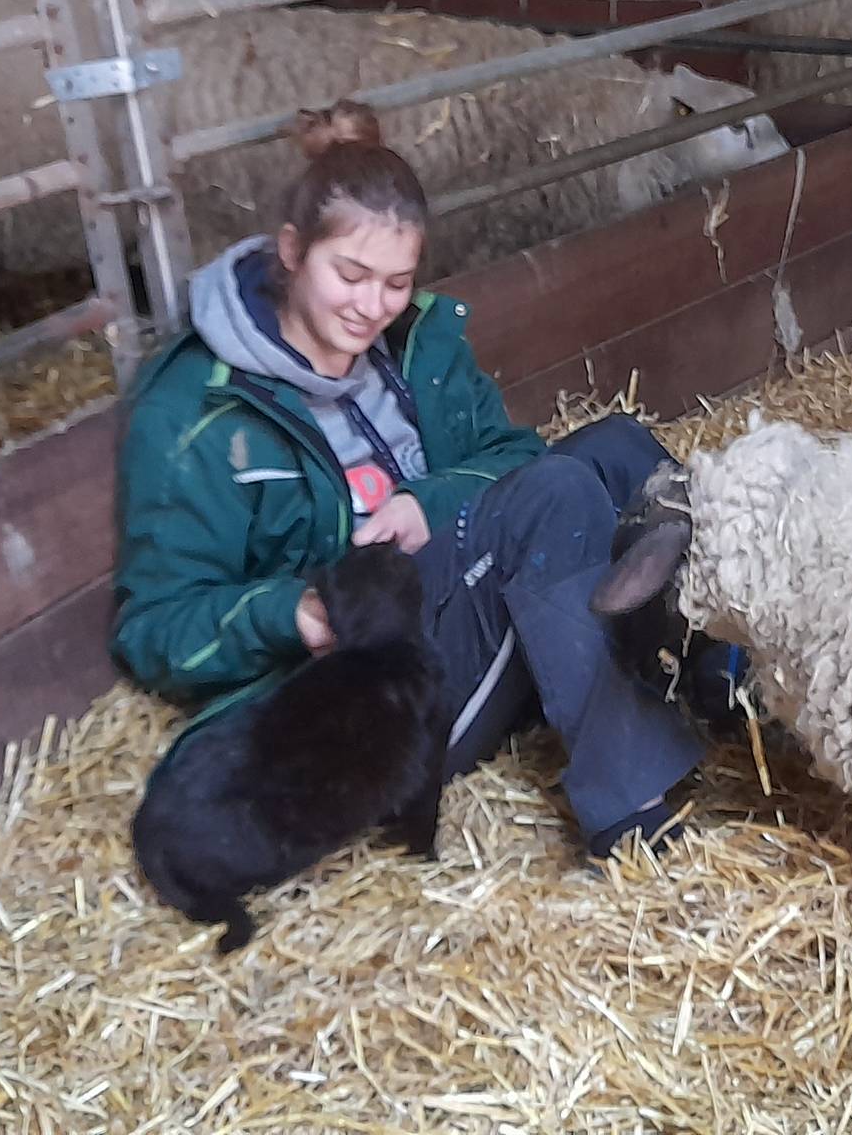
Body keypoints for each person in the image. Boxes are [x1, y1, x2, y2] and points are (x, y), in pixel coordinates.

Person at [110, 99, 739, 860]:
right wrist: (291, 612)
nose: (371, 307)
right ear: (291, 251)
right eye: (350, 275)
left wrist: (425, 503)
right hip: (372, 691)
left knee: (618, 447)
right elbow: (153, 630)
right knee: (557, 496)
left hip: (456, 598)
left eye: (396, 282)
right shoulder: (198, 413)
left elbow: (511, 451)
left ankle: (729, 677)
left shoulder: (414, 344)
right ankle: (630, 819)